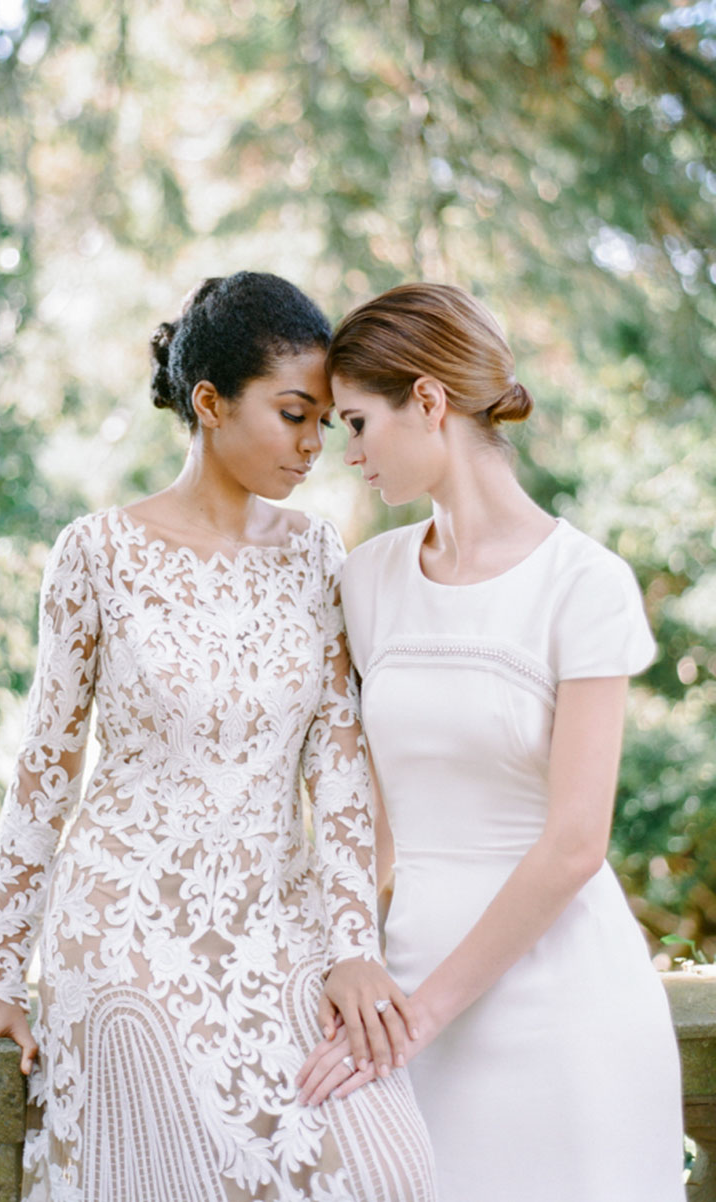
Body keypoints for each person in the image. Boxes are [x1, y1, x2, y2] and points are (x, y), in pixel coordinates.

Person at [0, 272, 436, 1202]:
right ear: (209, 404)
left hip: (282, 929)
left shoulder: (315, 554)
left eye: (325, 423)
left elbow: (337, 764)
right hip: (125, 939)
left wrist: (352, 943)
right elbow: (46, 770)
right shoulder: (95, 552)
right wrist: (0, 974)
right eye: (294, 414)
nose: (314, 445)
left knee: (387, 1165)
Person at [296, 283, 685, 1201]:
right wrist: (331, 955)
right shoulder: (370, 578)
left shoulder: (585, 584)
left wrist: (422, 1017)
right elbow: (370, 815)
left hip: (566, 1014)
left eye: (357, 423)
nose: (347, 455)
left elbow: (575, 842)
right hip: (406, 1004)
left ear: (427, 402)